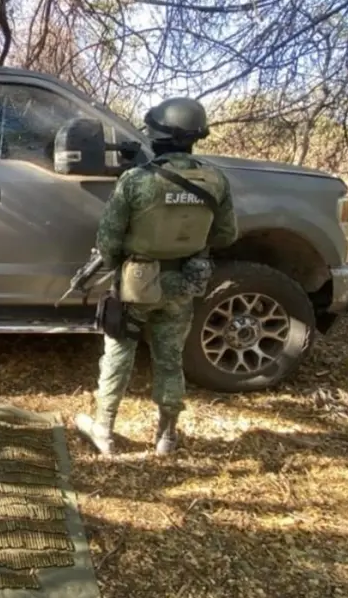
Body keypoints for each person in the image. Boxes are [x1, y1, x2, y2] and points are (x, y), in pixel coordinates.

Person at [74, 97, 238, 457]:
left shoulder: (136, 180)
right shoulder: (216, 180)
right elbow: (226, 235)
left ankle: (103, 429)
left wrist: (121, 261)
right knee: (169, 357)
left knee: (119, 353)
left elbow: (108, 240)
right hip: (185, 281)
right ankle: (166, 435)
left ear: (157, 135)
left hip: (137, 283)